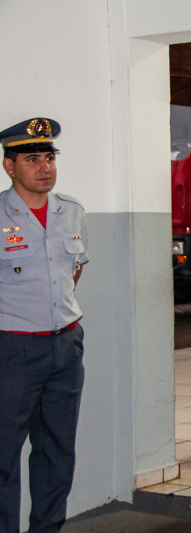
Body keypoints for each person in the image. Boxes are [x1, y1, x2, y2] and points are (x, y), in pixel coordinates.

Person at [0, 118, 88, 533]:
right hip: (12, 350)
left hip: (65, 347)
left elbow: (73, 271)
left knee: (57, 452)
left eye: (49, 157)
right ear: (9, 167)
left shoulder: (71, 211)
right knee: (3, 455)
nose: (44, 167)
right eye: (31, 158)